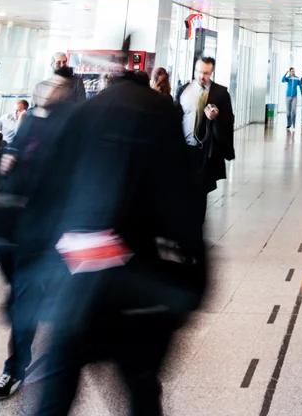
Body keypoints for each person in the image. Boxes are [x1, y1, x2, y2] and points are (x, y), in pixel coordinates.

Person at [29, 66, 207, 416]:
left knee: (56, 387)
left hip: (77, 279)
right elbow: (181, 200)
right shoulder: (160, 113)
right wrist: (194, 280)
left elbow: (48, 192)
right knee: (140, 387)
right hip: (136, 282)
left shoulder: (86, 112)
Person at [0, 74, 74, 399]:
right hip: (17, 222)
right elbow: (11, 154)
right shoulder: (29, 119)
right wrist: (6, 160)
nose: (46, 91)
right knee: (24, 292)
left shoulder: (71, 125)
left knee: (28, 294)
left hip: (48, 227)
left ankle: (14, 368)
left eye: (54, 87)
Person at [176, 56, 235, 201]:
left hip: (206, 150)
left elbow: (229, 120)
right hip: (185, 148)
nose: (202, 76)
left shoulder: (220, 93)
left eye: (206, 73)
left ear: (212, 73)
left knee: (201, 190)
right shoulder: (184, 90)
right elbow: (175, 116)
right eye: (199, 72)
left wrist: (217, 117)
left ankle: (197, 219)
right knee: (183, 187)